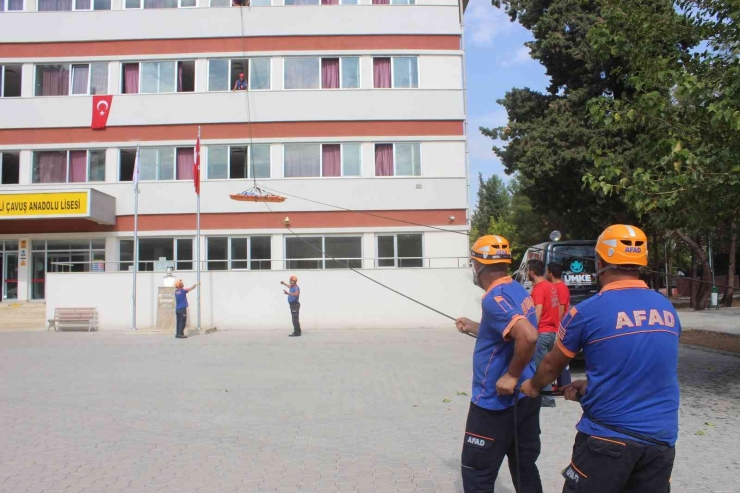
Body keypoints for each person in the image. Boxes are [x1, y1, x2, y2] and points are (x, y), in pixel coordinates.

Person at [521, 224, 680, 493]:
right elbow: (645, 363)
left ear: (600, 261)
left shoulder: (586, 312)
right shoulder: (666, 307)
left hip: (607, 440)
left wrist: (533, 386)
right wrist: (590, 386)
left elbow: (551, 364)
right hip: (661, 443)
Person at [455, 235, 542, 493]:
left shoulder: (493, 299)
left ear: (476, 265)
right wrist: (475, 327)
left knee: (476, 474)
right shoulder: (515, 288)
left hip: (494, 404)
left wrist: (511, 375)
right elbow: (509, 331)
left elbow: (528, 335)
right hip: (525, 401)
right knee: (525, 469)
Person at [527, 259, 560, 407]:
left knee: (539, 366)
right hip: (552, 331)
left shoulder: (539, 288)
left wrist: (531, 330)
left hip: (543, 332)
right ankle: (546, 395)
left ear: (532, 272)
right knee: (547, 365)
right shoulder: (551, 286)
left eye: (528, 271)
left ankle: (546, 398)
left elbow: (538, 311)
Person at [547, 262, 572, 389]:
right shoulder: (552, 287)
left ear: (550, 273)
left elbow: (561, 309)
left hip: (559, 326)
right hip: (553, 326)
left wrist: (558, 326)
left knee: (561, 356)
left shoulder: (561, 288)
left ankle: (565, 384)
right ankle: (556, 383)